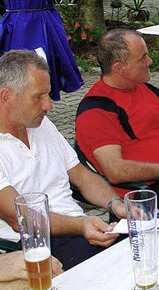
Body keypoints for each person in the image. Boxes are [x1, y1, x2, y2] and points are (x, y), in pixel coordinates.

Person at [0, 50, 127, 270]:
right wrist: (81, 224)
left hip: (78, 230)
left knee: (146, 245)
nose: (49, 106)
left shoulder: (40, 124)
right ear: (6, 97)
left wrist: (115, 204)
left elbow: (80, 174)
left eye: (48, 95)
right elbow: (20, 218)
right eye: (38, 96)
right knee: (121, 269)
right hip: (35, 246)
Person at [75, 29, 159, 214]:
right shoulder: (96, 109)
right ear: (119, 68)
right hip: (146, 193)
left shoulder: (148, 90)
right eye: (142, 58)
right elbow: (116, 170)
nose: (149, 62)